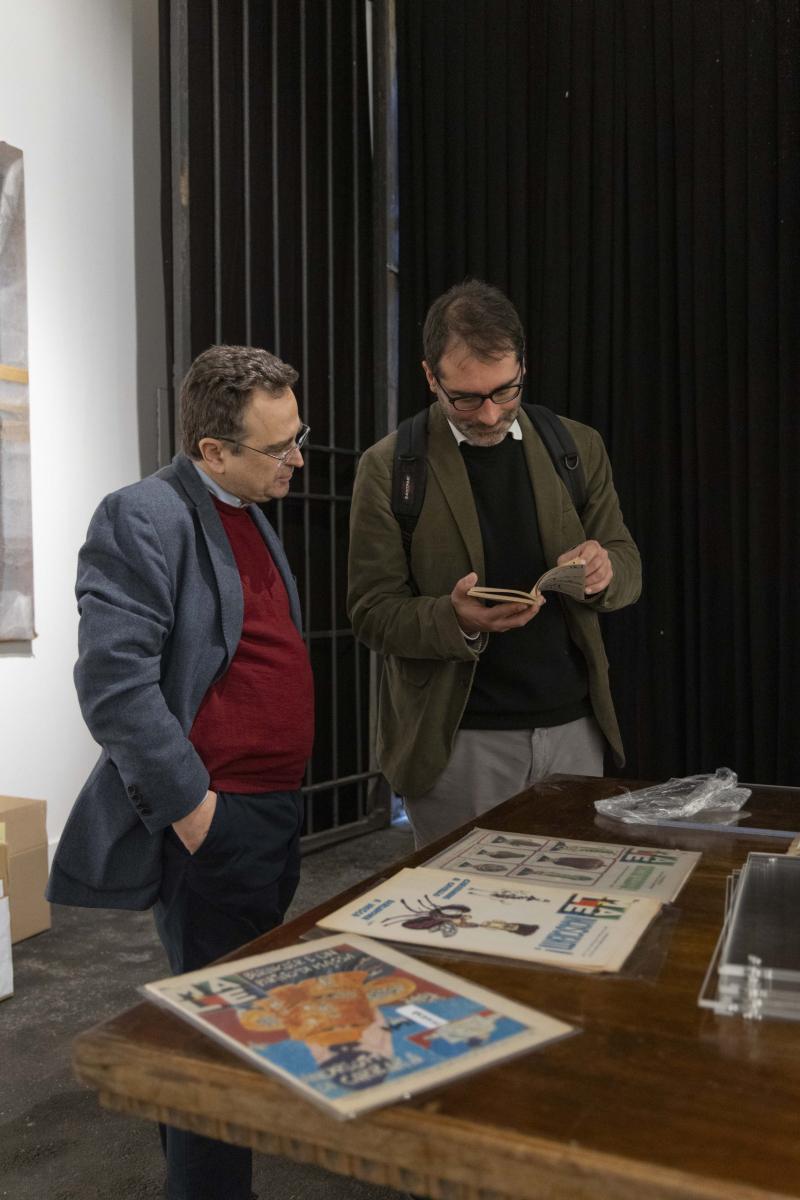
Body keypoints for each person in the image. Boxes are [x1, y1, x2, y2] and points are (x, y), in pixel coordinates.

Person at [47, 344, 314, 1200]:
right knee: (218, 1040)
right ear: (212, 451)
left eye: (299, 436)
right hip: (217, 817)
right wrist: (195, 812)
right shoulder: (144, 515)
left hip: (270, 808)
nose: (297, 459)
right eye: (279, 447)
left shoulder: (250, 505)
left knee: (227, 1018)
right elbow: (113, 685)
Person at [347, 280, 641, 847]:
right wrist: (455, 619)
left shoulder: (575, 446)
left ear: (522, 366)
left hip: (573, 729)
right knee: (461, 899)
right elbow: (371, 612)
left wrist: (605, 572)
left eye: (505, 391)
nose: (488, 414)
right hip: (458, 741)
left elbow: (627, 562)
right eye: (465, 398)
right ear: (430, 376)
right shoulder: (390, 468)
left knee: (570, 892)